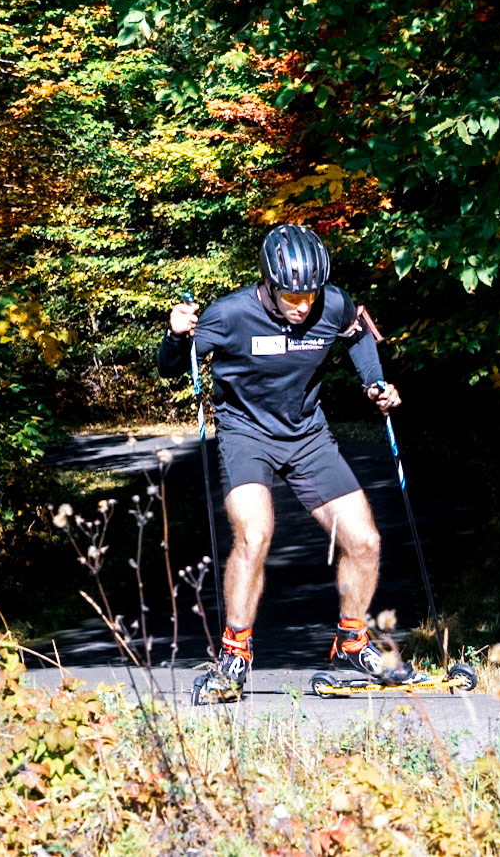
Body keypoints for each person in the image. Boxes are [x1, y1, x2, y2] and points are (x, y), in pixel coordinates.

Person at [157, 223, 416, 703]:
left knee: (365, 540)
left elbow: (358, 333)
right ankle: (234, 655)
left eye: (310, 296)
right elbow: (172, 366)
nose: (302, 306)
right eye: (292, 296)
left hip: (307, 436)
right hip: (245, 435)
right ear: (269, 284)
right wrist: (175, 336)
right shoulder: (229, 314)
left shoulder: (332, 303)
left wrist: (374, 382)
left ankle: (352, 642)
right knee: (254, 535)